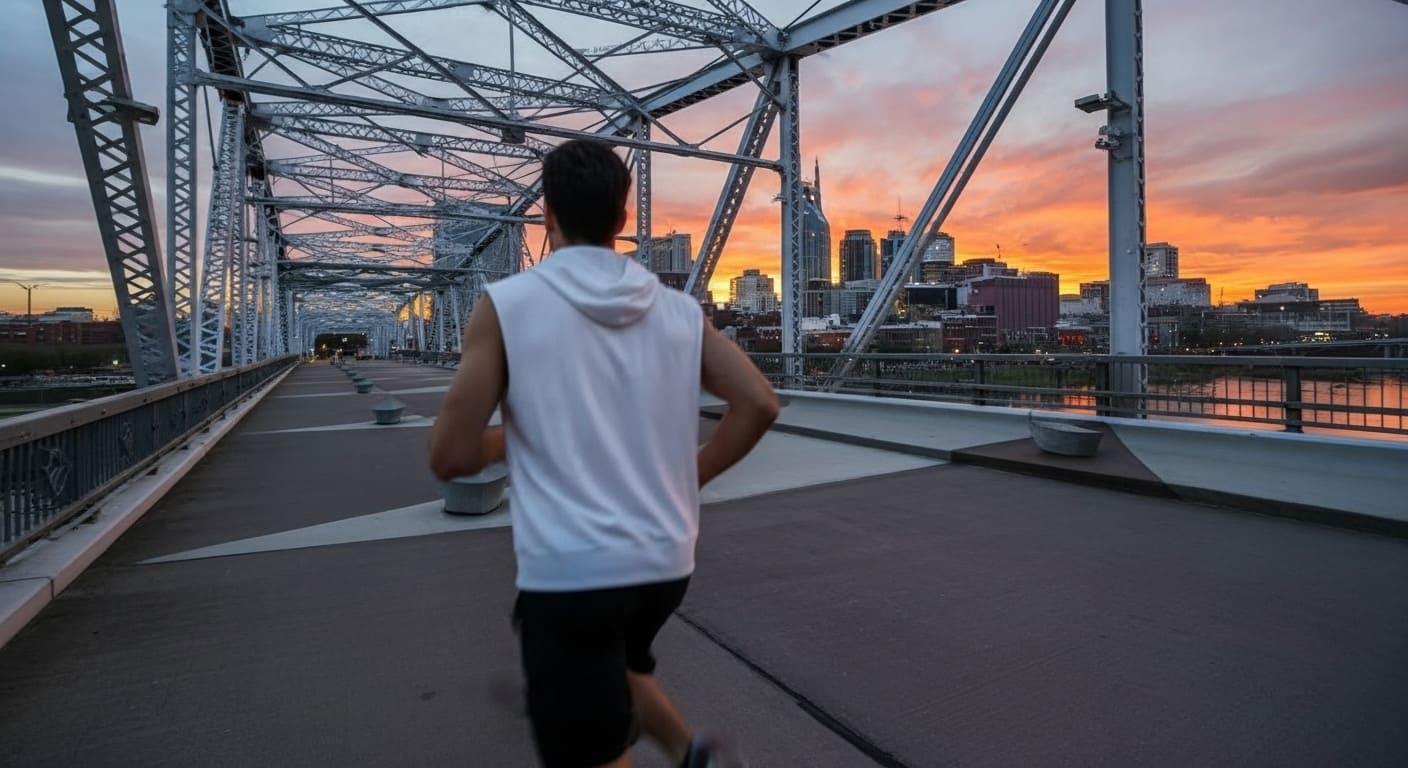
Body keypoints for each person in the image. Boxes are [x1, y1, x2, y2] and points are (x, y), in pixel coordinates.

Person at [429, 138, 780, 768]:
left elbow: (451, 456)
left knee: (586, 740)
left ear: (547, 217)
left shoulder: (508, 307)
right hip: (667, 564)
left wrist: (533, 431)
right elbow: (758, 403)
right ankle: (690, 752)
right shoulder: (678, 311)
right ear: (623, 220)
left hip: (572, 574)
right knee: (615, 661)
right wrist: (688, 477)